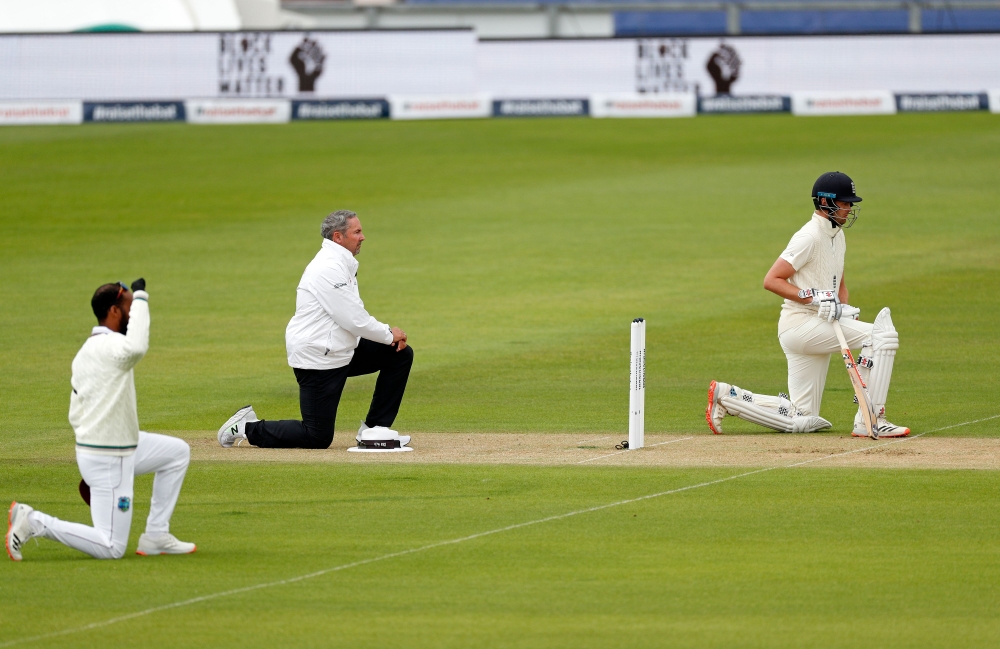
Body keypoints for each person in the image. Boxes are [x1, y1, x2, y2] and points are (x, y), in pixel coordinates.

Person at [706, 172, 909, 437]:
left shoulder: (837, 236)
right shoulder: (809, 236)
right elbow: (771, 280)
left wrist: (845, 312)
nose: (849, 209)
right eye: (845, 203)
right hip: (800, 325)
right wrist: (812, 297)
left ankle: (727, 396)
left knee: (802, 418)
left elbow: (840, 285)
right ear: (826, 203)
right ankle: (870, 419)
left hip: (819, 326)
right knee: (882, 336)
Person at [6, 280, 196, 562]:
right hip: (110, 456)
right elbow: (137, 348)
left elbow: (76, 410)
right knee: (111, 547)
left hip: (114, 447)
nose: (133, 314)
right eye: (130, 307)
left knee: (177, 453)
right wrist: (142, 298)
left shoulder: (88, 349)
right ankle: (33, 521)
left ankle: (156, 534)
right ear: (114, 312)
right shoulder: (111, 347)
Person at [218, 210, 414, 450]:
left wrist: (387, 339)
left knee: (399, 354)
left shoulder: (342, 263)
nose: (363, 237)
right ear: (338, 237)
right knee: (317, 437)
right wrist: (388, 333)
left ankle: (375, 430)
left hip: (341, 350)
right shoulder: (327, 267)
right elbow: (353, 318)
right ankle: (246, 427)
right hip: (317, 357)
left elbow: (352, 315)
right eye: (357, 232)